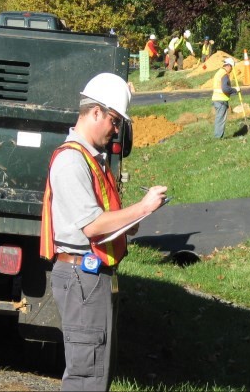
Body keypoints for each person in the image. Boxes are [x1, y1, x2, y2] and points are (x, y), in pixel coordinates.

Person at [40, 72, 169, 391]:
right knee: (87, 378)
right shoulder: (72, 161)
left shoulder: (91, 159)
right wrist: (143, 207)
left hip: (90, 277)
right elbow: (93, 225)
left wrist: (130, 221)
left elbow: (104, 219)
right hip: (82, 277)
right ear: (95, 111)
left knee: (96, 374)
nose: (116, 129)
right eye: (114, 120)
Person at [211, 57, 239, 138]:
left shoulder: (219, 72)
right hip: (221, 100)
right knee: (220, 119)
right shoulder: (224, 75)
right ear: (229, 66)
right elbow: (225, 89)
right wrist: (235, 90)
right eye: (231, 67)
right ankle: (218, 137)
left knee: (219, 118)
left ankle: (218, 136)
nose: (231, 70)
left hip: (217, 99)